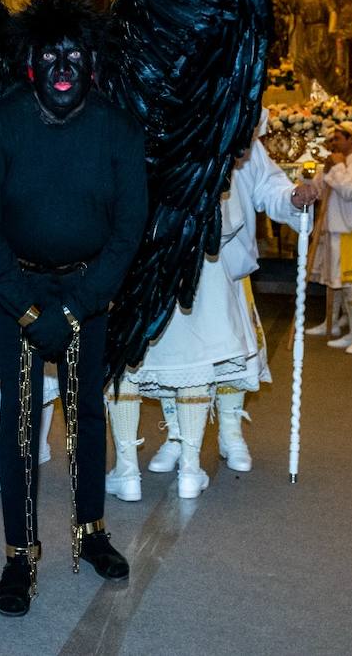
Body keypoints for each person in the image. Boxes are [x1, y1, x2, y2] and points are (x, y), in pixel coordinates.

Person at [0, 0, 147, 616]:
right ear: (32, 63)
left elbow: (128, 234)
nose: (64, 63)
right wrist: (26, 310)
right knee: (18, 417)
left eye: (75, 52)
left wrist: (76, 308)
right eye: (51, 53)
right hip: (14, 286)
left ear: (92, 64)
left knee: (84, 411)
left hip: (85, 290)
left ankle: (91, 532)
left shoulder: (118, 131)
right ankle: (20, 553)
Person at [107, 123, 313, 499]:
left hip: (206, 259)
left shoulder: (228, 118)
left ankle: (225, 435)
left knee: (200, 353)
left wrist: (293, 199)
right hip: (168, 259)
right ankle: (180, 448)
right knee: (166, 356)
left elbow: (268, 185)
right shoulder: (158, 113)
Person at [310, 122, 352, 355]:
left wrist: (338, 167)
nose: (333, 144)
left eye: (338, 139)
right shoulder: (336, 162)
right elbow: (319, 189)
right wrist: (326, 170)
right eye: (331, 140)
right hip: (335, 230)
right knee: (338, 281)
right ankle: (348, 330)